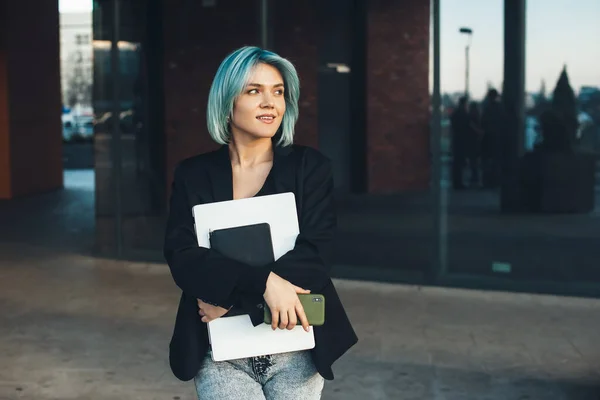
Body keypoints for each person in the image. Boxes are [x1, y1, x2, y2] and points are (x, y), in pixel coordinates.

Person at [163, 46, 358, 399]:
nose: (270, 102)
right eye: (254, 91)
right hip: (219, 353)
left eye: (278, 92)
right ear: (227, 101)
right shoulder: (193, 175)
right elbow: (183, 257)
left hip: (295, 349)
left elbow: (316, 254)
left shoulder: (309, 168)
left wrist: (239, 301)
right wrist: (264, 281)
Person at [450, 96, 469, 189]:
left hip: (456, 140)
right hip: (461, 140)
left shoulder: (456, 113)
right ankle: (458, 183)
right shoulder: (463, 113)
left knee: (456, 163)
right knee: (459, 163)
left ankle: (456, 182)